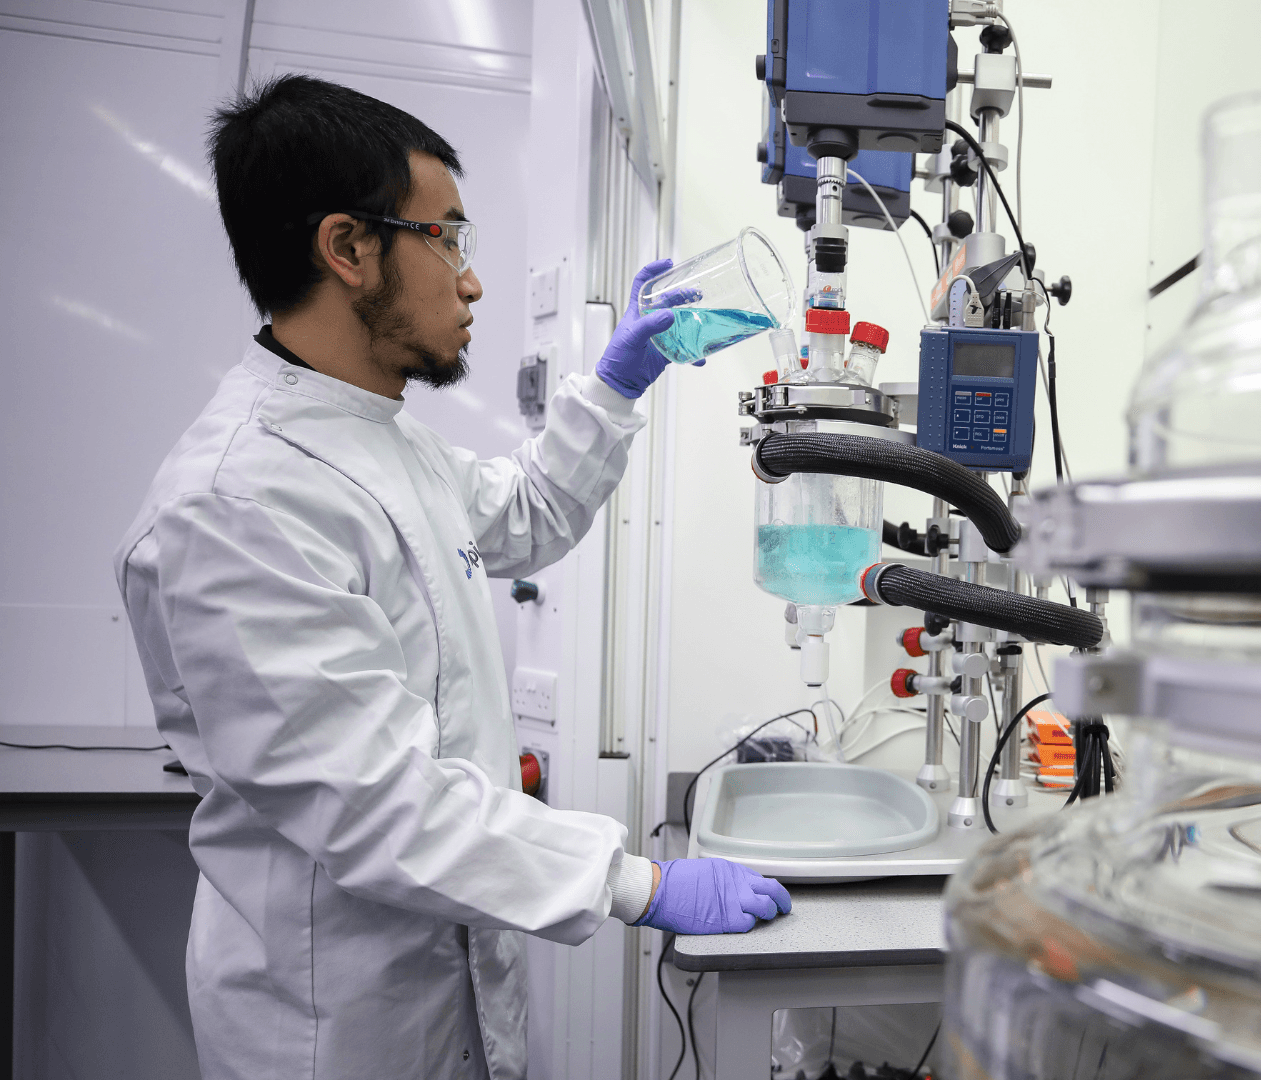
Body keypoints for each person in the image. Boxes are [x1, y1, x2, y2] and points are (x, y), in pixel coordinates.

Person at [113, 75, 787, 1080]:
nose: (471, 284)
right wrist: (634, 883)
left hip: (444, 993)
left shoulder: (383, 442)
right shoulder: (235, 503)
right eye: (449, 239)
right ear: (348, 248)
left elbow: (524, 514)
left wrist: (614, 388)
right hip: (332, 1032)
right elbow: (375, 803)